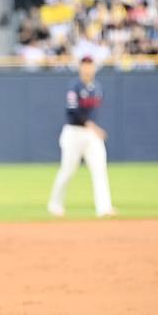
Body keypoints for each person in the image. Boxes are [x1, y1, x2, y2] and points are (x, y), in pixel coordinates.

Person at [47, 56, 116, 218]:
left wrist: (91, 128)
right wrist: (91, 126)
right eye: (85, 66)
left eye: (90, 66)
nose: (88, 69)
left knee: (100, 169)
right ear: (80, 68)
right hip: (74, 132)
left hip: (91, 134)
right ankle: (55, 204)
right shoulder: (74, 86)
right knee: (68, 171)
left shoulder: (98, 87)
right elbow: (72, 111)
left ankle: (104, 208)